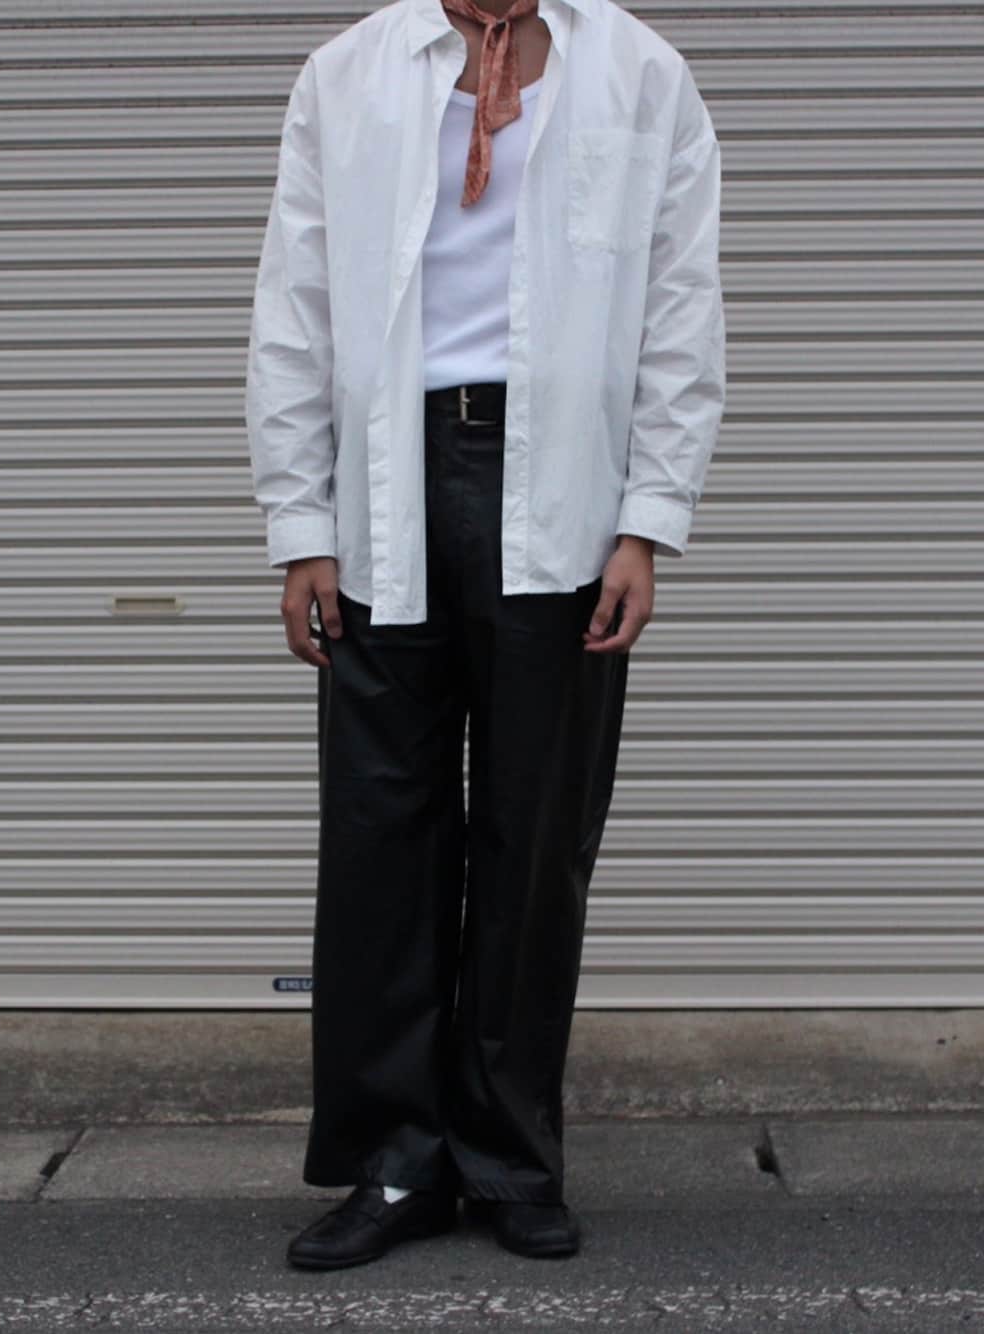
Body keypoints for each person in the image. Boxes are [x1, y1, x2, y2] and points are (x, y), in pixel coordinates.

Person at [244, 0, 725, 1271]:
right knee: (381, 838)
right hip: (385, 483)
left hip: (562, 489)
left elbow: (681, 304)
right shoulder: (347, 73)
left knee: (535, 836)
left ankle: (510, 1154)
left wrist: (648, 520)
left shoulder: (639, 72)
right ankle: (397, 1161)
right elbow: (295, 300)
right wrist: (301, 521)